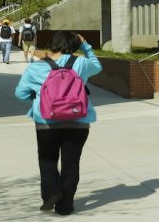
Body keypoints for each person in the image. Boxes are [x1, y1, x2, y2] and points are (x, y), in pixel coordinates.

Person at [14, 30, 102, 216]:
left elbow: (20, 94)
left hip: (47, 121)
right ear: (73, 45)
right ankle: (66, 205)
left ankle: (51, 193)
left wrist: (36, 95)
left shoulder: (35, 68)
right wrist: (85, 45)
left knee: (47, 159)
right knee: (71, 162)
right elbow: (97, 65)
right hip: (78, 121)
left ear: (53, 44)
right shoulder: (82, 64)